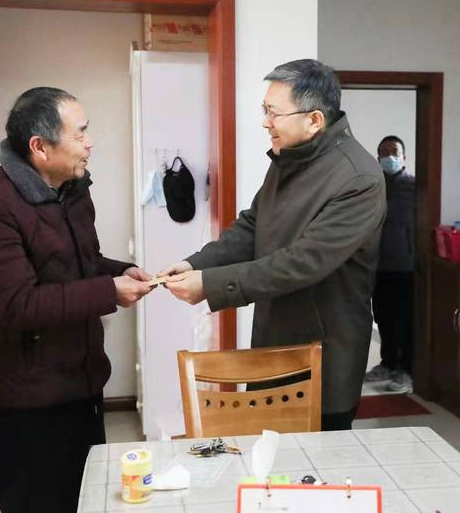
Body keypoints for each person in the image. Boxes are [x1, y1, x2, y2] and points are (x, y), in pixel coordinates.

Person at [160, 59, 386, 431]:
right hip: (275, 339)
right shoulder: (289, 157)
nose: (266, 122)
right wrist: (196, 264)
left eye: (274, 113)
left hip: (324, 352)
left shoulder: (359, 178)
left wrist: (210, 285)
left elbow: (303, 262)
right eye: (265, 110)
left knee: (314, 461)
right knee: (267, 453)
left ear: (314, 120)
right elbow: (254, 225)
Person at [0, 87, 152, 513]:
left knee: (89, 501)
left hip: (84, 386)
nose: (89, 143)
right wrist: (109, 291)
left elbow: (81, 263)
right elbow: (13, 306)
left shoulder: (73, 190)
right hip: (32, 404)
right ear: (40, 147)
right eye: (79, 134)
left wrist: (120, 271)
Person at [364, 135, 416, 393]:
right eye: (384, 152)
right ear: (378, 158)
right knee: (383, 317)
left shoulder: (415, 187)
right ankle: (387, 363)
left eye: (394, 152)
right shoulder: (373, 187)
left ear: (404, 157)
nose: (389, 157)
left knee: (405, 319)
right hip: (378, 266)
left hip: (407, 267)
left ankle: (406, 370)